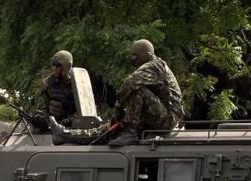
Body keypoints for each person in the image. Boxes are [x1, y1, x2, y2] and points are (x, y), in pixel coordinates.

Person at [50, 39, 184, 146]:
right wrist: (119, 119)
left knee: (137, 89)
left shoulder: (156, 65)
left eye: (135, 56)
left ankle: (130, 132)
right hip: (157, 115)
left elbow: (130, 83)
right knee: (110, 128)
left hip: (168, 118)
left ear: (146, 55)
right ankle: (64, 134)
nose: (133, 60)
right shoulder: (151, 68)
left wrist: (119, 109)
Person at [32, 50, 76, 130]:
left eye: (57, 65)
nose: (53, 68)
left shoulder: (77, 84)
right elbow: (43, 107)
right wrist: (41, 117)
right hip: (54, 127)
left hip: (75, 126)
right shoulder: (48, 83)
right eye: (53, 64)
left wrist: (71, 120)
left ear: (66, 66)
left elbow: (85, 110)